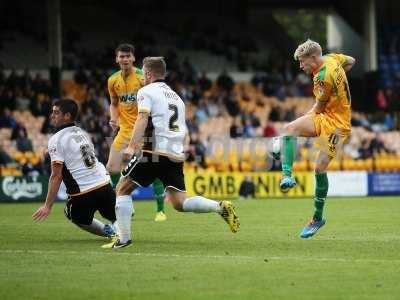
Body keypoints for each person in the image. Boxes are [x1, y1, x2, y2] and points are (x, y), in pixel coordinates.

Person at [103, 57, 240, 249]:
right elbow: (184, 129)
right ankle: (219, 207)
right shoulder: (177, 97)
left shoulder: (145, 91)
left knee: (122, 189)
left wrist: (132, 146)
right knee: (179, 203)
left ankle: (123, 239)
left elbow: (142, 119)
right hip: (174, 154)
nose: (142, 77)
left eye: (143, 73)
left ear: (149, 74)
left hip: (153, 150)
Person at [273, 39, 355, 238]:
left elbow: (317, 108)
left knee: (319, 168)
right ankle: (287, 176)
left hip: (337, 126)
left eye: (303, 62)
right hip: (327, 117)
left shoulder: (321, 77)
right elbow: (351, 61)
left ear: (314, 57)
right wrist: (341, 85)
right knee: (289, 129)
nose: (301, 66)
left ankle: (317, 218)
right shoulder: (333, 59)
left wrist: (309, 113)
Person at [32, 99, 117, 239]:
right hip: (104, 185)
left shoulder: (56, 139)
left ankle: (109, 232)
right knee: (116, 216)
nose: (52, 115)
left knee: (73, 214)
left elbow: (56, 176)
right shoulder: (83, 133)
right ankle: (123, 233)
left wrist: (47, 206)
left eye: (56, 112)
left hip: (83, 193)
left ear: (67, 116)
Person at [107, 43, 166, 222]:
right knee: (111, 167)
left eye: (128, 56)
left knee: (153, 169)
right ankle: (125, 203)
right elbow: (114, 103)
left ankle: (161, 210)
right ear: (117, 59)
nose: (124, 59)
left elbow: (155, 97)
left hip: (144, 130)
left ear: (133, 58)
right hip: (124, 130)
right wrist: (113, 118)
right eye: (121, 56)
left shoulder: (142, 78)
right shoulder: (112, 80)